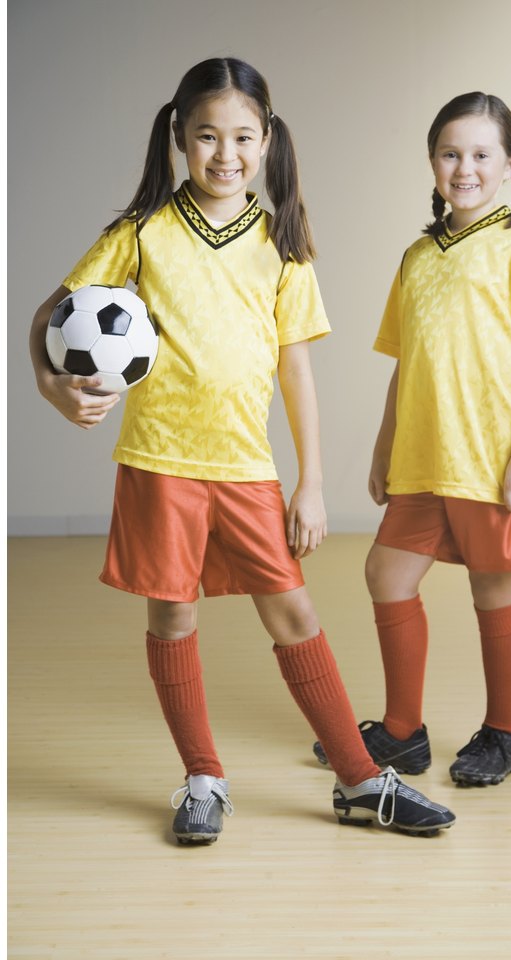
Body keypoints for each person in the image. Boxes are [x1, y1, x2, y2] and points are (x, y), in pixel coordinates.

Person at [29, 57, 455, 843]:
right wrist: (53, 387)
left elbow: (296, 367)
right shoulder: (140, 233)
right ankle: (201, 777)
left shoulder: (281, 240)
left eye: (242, 138)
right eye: (206, 137)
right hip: (159, 461)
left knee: (293, 610)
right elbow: (51, 315)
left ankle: (360, 780)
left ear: (267, 141)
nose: (224, 154)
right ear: (178, 140)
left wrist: (312, 482)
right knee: (173, 615)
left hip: (244, 469)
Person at [313, 91, 511, 787]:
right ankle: (403, 732)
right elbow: (409, 361)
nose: (466, 168)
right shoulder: (417, 256)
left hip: (490, 460)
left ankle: (503, 732)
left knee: (493, 587)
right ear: (433, 163)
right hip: (424, 457)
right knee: (385, 574)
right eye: (451, 153)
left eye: (482, 154)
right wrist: (381, 447)